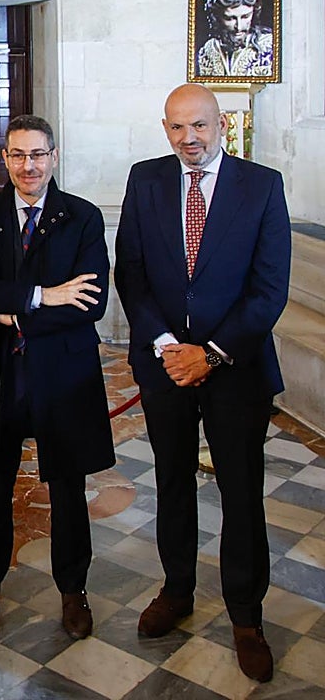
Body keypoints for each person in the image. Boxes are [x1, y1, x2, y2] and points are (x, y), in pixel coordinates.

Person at [115, 83, 290, 683]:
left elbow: (270, 290)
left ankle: (246, 615)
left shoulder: (261, 186)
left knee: (240, 492)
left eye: (200, 126)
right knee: (172, 482)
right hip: (165, 366)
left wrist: (209, 354)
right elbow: (130, 273)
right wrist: (167, 346)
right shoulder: (146, 179)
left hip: (235, 370)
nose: (189, 138)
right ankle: (178, 589)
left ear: (222, 125)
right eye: (176, 127)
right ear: (165, 128)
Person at [0, 115, 114, 640]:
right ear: (4, 158)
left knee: (67, 484)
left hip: (61, 372)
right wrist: (41, 296)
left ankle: (73, 590)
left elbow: (89, 302)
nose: (28, 165)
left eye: (38, 154)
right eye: (18, 155)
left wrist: (5, 309)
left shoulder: (82, 218)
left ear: (54, 156)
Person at [196, 0, 274, 78]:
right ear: (217, 17)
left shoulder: (269, 46)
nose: (239, 27)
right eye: (230, 18)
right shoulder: (208, 50)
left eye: (245, 17)